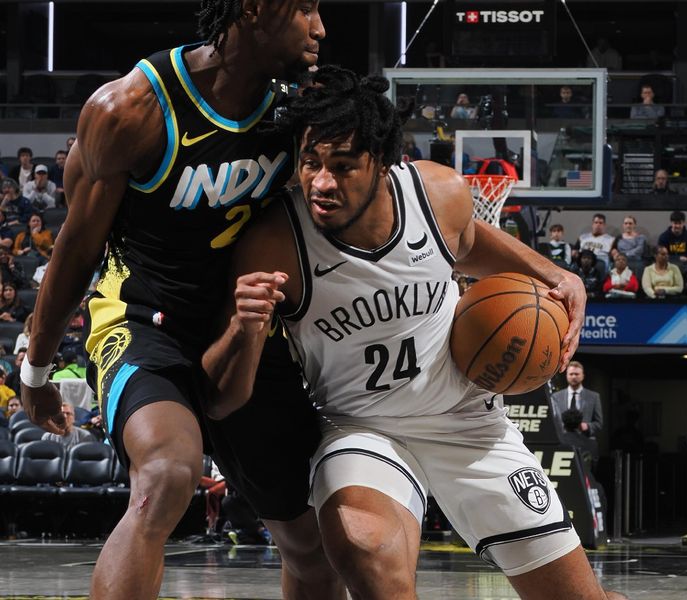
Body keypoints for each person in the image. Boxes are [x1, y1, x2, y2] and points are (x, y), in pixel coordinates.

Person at [202, 66, 623, 600]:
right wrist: (244, 329)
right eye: (310, 163)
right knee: (364, 552)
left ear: (382, 163)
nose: (322, 182)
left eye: (343, 166)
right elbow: (222, 397)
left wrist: (555, 274)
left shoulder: (438, 194)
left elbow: (468, 240)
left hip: (470, 425)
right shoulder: (275, 241)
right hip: (362, 431)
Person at [21, 3, 343, 600]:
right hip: (147, 322)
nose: (320, 28)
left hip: (249, 331)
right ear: (253, 10)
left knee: (311, 542)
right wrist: (36, 369)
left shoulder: (300, 110)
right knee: (166, 478)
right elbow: (76, 250)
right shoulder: (131, 110)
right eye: (305, 8)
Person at [551, 361, 603, 440]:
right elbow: (553, 420)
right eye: (571, 374)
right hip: (563, 441)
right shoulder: (556, 397)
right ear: (566, 376)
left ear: (583, 376)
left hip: (585, 440)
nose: (574, 377)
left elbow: (599, 423)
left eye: (577, 374)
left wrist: (587, 426)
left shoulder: (593, 397)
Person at [560, 408, 599, 473]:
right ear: (580, 424)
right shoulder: (592, 444)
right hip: (584, 481)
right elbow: (594, 469)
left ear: (563, 425)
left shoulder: (559, 443)